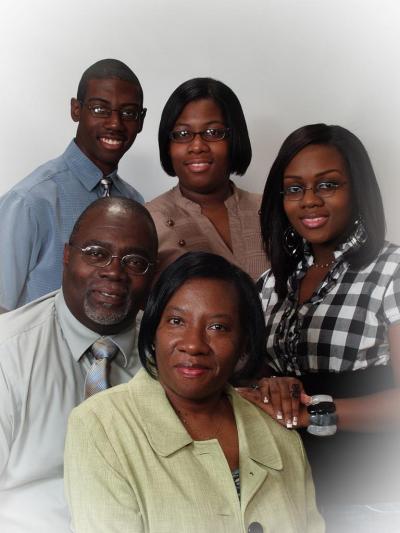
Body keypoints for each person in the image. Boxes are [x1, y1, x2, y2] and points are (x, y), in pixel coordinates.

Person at [64, 251, 324, 533]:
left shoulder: (279, 432)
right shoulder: (100, 426)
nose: (193, 344)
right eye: (176, 321)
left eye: (217, 327)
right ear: (153, 330)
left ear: (244, 344)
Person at [240, 124, 400, 532]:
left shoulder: (391, 272)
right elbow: (252, 379)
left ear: (358, 188)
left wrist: (317, 414)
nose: (309, 201)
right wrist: (268, 387)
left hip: (367, 501)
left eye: (328, 184)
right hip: (286, 497)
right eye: (294, 189)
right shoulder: (270, 285)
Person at [0, 197, 158, 533]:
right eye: (96, 254)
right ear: (67, 256)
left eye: (135, 262)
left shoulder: (170, 353)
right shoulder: (8, 352)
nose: (114, 272)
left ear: (152, 273)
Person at [0, 58, 146, 311]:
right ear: (76, 109)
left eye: (128, 113)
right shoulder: (30, 200)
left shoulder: (135, 203)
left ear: (141, 120)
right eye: (100, 109)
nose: (115, 123)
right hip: (39, 350)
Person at [146, 77, 267, 281]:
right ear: (167, 144)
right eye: (182, 133)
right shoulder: (147, 222)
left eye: (213, 132)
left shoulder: (271, 211)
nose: (197, 146)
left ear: (235, 137)